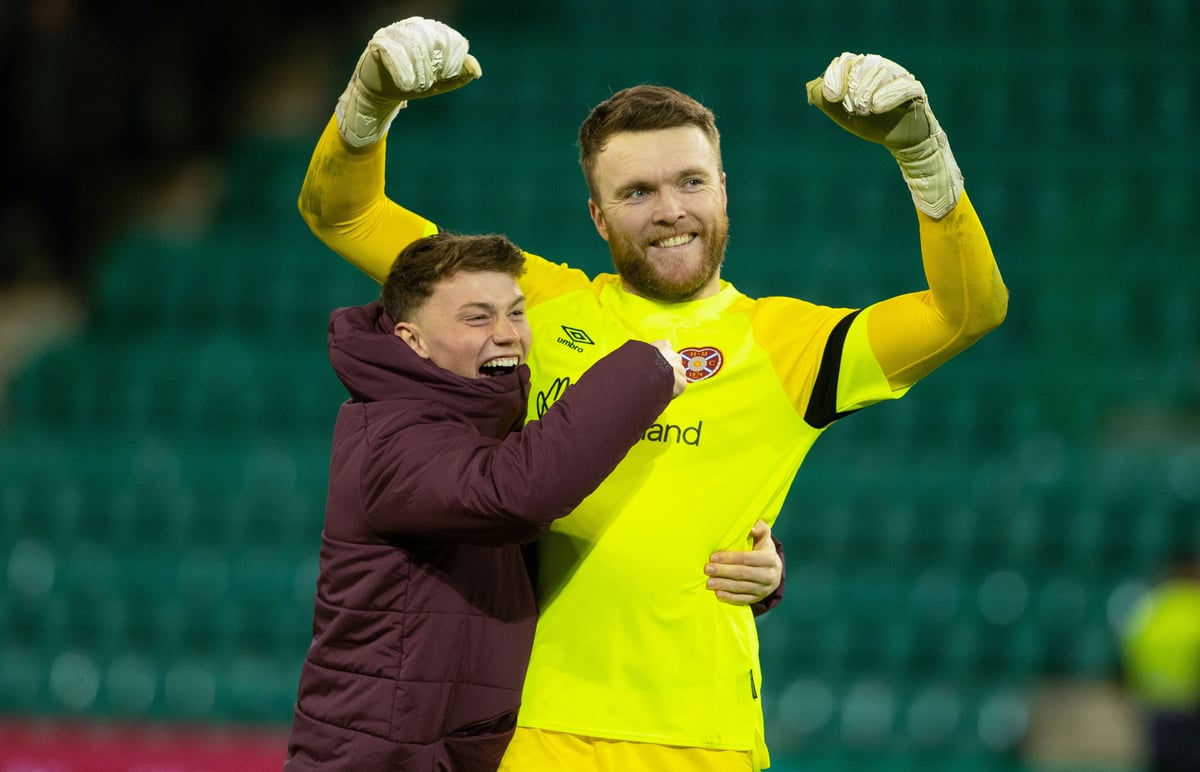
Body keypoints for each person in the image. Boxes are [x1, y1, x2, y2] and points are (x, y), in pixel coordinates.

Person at [297, 18, 1008, 771]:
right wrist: (368, 104)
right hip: (536, 728)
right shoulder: (533, 306)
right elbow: (344, 214)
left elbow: (967, 312)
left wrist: (922, 155)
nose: (670, 209)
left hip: (709, 737)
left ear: (724, 190)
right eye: (637, 191)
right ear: (598, 216)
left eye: (691, 181)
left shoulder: (790, 344)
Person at [286, 231, 693, 769]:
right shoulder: (390, 438)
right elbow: (518, 493)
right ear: (413, 340)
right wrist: (645, 373)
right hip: (380, 758)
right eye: (477, 318)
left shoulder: (486, 420)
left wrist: (752, 563)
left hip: (449, 748)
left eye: (516, 313)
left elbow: (585, 513)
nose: (507, 336)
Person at [1119, 552, 1200, 772]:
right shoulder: (1195, 606)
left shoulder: (1150, 607)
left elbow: (1130, 648)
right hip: (1191, 710)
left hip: (1155, 708)